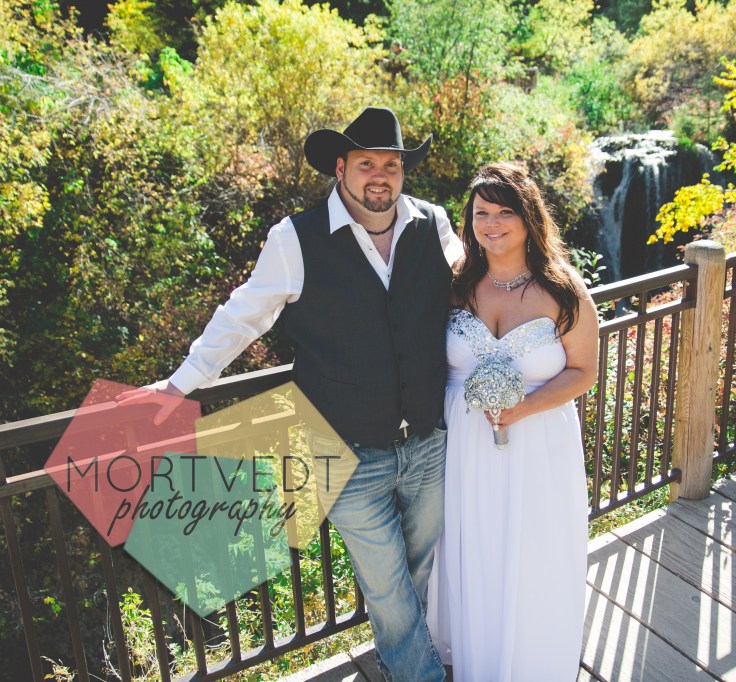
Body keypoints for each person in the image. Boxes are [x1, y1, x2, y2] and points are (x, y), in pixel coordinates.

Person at [118, 106, 462, 682]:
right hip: (346, 450)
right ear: (340, 167)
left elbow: (473, 282)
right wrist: (178, 386)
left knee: (417, 570)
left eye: (392, 165)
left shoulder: (434, 222)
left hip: (428, 441)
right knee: (386, 583)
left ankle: (397, 658)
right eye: (367, 164)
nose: (380, 176)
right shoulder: (294, 239)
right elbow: (242, 318)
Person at [427, 163, 599, 680]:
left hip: (538, 443)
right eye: (482, 213)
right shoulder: (454, 285)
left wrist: (523, 407)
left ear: (528, 218)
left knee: (532, 550)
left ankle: (528, 660)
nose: (492, 224)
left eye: (505, 212)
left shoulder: (563, 290)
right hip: (461, 446)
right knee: (470, 549)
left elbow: (584, 372)